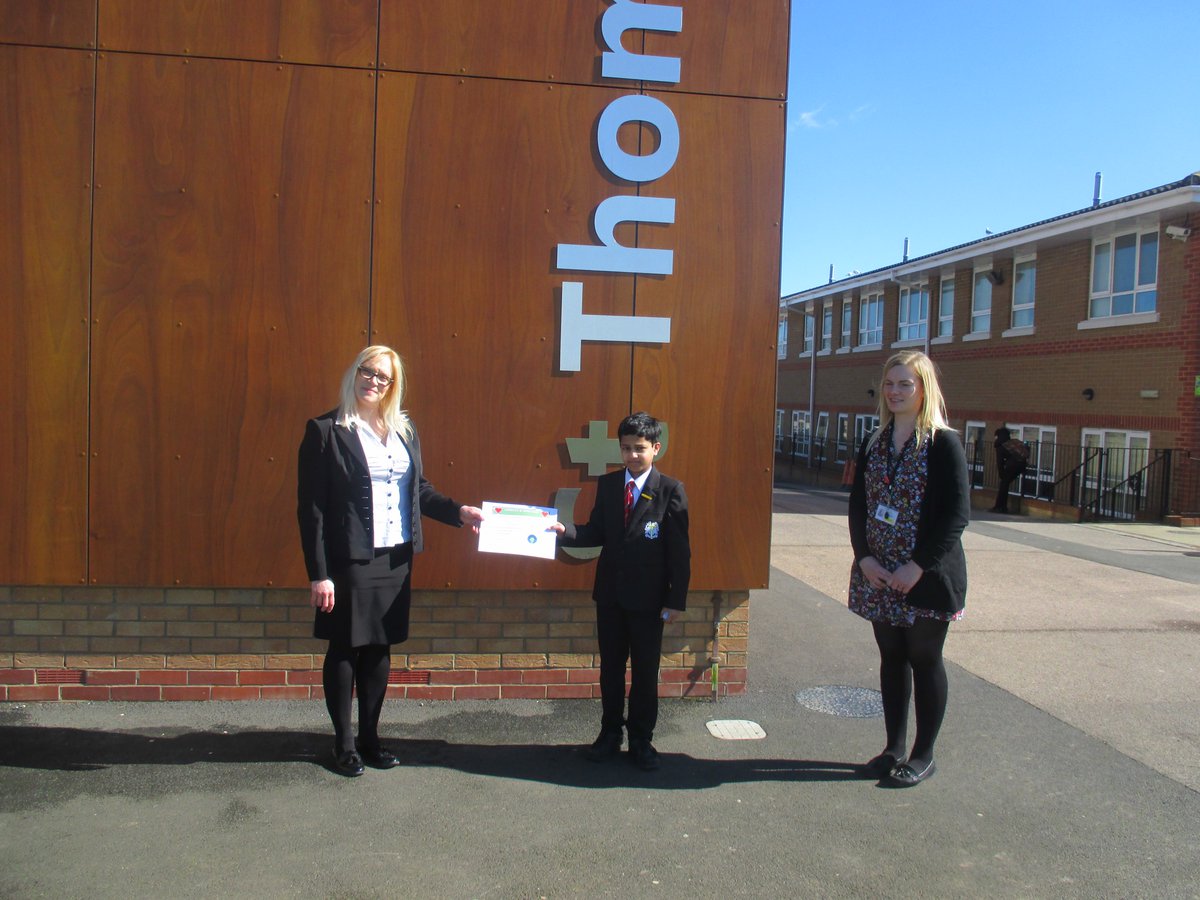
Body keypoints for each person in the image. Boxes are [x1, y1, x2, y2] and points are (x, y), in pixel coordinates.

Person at [298, 345, 483, 777]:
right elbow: (312, 511)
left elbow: (418, 490)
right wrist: (319, 574)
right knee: (345, 647)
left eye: (384, 377)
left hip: (396, 557)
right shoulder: (326, 429)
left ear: (393, 386)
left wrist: (458, 512)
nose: (374, 382)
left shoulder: (404, 429)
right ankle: (343, 745)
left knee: (380, 648)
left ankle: (370, 738)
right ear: (354, 372)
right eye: (368, 372)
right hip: (349, 560)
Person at [848, 350, 969, 787]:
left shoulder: (943, 443)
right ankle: (893, 748)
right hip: (878, 574)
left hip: (925, 579)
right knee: (891, 657)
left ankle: (922, 755)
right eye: (890, 383)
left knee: (923, 657)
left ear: (923, 390)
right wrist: (865, 558)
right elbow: (858, 505)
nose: (895, 392)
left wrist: (916, 567)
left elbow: (956, 516)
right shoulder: (875, 441)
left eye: (906, 384)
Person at [551, 412, 690, 771]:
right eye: (626, 448)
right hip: (611, 597)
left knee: (645, 672)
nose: (632, 455)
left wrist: (675, 600)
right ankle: (610, 733)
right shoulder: (610, 485)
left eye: (640, 449)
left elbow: (679, 551)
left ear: (655, 448)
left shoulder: (670, 490)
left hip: (649, 602)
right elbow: (596, 532)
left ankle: (642, 740)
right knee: (610, 670)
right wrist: (564, 530)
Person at [990, 426, 1027, 514]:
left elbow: (1000, 463)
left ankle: (1000, 507)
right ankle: (1001, 507)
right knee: (1005, 484)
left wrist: (1001, 475)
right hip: (1022, 465)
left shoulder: (1001, 446)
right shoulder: (1012, 442)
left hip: (1012, 466)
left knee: (1003, 485)